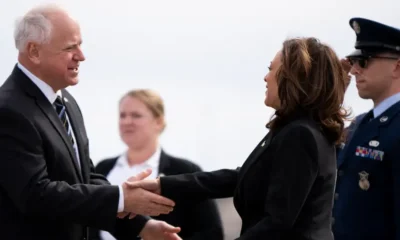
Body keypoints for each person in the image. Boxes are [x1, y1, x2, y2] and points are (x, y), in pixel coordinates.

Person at [128, 37, 350, 239]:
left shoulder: (300, 134)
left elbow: (277, 223)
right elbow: (241, 177)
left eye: (271, 69)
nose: (265, 77)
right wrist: (163, 185)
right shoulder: (295, 129)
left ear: (293, 77)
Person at [0, 4, 182, 240]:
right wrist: (121, 198)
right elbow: (36, 195)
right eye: (70, 47)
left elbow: (85, 179)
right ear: (34, 51)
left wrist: (140, 226)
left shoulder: (66, 102)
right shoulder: (8, 111)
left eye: (80, 44)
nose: (81, 56)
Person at [91, 89, 223, 240]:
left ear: (158, 121)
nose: (127, 121)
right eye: (122, 115)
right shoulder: (102, 169)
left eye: (136, 115)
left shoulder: (184, 171)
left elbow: (212, 232)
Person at [332, 17, 400, 240]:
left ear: (397, 66)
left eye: (363, 61)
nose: (353, 71)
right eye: (353, 61)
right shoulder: (359, 124)